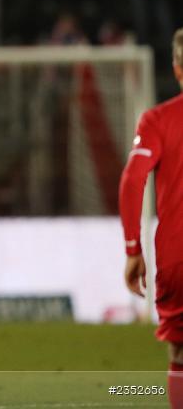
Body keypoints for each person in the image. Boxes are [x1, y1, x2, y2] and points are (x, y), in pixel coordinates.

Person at [120, 28, 183, 409]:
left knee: (179, 353)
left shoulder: (157, 121)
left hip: (178, 257)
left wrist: (133, 249)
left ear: (177, 69)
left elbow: (132, 180)